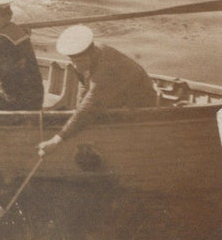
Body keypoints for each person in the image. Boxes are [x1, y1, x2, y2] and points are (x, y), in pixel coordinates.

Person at [37, 25, 157, 156]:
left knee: (91, 115)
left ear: (91, 53)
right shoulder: (88, 54)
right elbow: (84, 86)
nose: (76, 66)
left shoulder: (106, 67)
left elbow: (90, 104)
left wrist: (57, 139)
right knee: (83, 116)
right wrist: (76, 111)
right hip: (114, 95)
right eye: (73, 61)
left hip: (139, 103)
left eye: (80, 61)